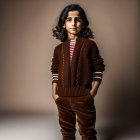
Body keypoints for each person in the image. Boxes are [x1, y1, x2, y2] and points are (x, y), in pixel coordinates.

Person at [51, 4, 105, 140]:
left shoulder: (90, 45)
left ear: (83, 23)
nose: (73, 23)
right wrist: (55, 93)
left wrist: (93, 92)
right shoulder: (58, 49)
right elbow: (55, 71)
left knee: (88, 134)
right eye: (69, 19)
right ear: (63, 24)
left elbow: (98, 68)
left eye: (77, 19)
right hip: (62, 97)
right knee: (67, 134)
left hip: (83, 97)